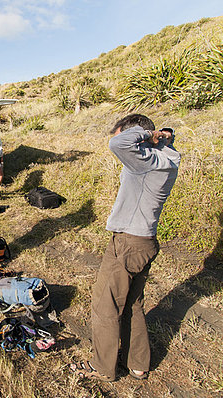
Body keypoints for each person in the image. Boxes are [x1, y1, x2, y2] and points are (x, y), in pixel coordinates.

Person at [70, 114, 180, 381]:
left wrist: (147, 134)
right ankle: (138, 364)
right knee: (132, 304)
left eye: (125, 134)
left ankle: (102, 366)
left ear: (139, 135)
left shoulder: (147, 160)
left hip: (128, 243)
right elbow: (161, 142)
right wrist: (164, 136)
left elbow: (117, 144)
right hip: (145, 241)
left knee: (104, 304)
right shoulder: (168, 158)